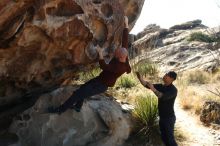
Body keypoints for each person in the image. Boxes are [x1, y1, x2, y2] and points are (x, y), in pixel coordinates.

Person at [48, 16, 131, 114]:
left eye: (117, 54)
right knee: (82, 89)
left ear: (121, 57)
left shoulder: (119, 67)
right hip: (99, 80)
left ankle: (59, 110)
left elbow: (104, 67)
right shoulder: (123, 56)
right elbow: (125, 41)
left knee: (77, 94)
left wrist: (100, 54)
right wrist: (126, 24)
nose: (115, 53)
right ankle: (78, 107)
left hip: (101, 85)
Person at [136, 71, 178, 146]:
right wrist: (140, 78)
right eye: (165, 74)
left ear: (171, 79)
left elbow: (163, 97)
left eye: (167, 75)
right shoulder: (161, 86)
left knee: (170, 139)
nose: (164, 76)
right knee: (164, 138)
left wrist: (153, 89)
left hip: (169, 118)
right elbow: (147, 85)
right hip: (162, 117)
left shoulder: (173, 90)